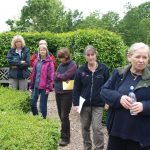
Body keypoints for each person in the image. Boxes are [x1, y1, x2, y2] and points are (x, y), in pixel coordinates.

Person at [100, 42, 150, 150]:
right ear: (129, 57)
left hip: (140, 135)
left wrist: (144, 106)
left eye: (145, 57)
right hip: (117, 132)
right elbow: (104, 91)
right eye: (138, 57)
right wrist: (119, 98)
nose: (141, 60)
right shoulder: (119, 73)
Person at [72, 45, 109, 150]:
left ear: (95, 55)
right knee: (85, 127)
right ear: (85, 56)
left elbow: (108, 86)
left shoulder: (104, 69)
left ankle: (99, 148)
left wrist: (107, 101)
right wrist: (75, 103)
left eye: (92, 54)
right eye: (88, 55)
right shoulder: (81, 70)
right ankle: (87, 147)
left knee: (97, 128)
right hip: (84, 104)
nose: (91, 57)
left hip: (99, 103)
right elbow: (76, 88)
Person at [54, 48, 77, 146]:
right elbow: (56, 75)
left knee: (64, 115)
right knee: (60, 115)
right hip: (58, 92)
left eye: (61, 57)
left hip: (67, 93)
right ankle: (63, 133)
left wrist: (60, 76)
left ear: (66, 56)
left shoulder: (73, 65)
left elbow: (65, 76)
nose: (60, 60)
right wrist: (61, 76)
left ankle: (65, 138)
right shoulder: (60, 65)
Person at [29, 44, 54, 119]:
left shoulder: (50, 62)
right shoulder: (37, 61)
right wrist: (31, 85)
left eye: (44, 50)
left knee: (43, 105)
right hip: (36, 86)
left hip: (44, 87)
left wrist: (48, 88)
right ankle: (36, 117)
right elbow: (33, 74)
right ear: (39, 51)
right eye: (41, 50)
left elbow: (51, 76)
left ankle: (43, 120)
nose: (42, 51)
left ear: (46, 51)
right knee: (32, 103)